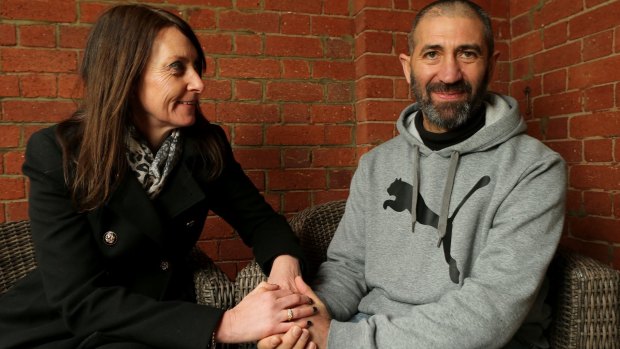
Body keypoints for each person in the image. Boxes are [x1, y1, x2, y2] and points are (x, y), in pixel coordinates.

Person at [0, 4, 316, 349]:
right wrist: (227, 323)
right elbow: (80, 300)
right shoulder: (58, 152)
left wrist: (286, 275)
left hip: (159, 320)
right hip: (58, 329)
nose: (198, 83)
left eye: (197, 67)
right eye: (177, 68)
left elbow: (262, 222)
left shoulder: (205, 147)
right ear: (126, 74)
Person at [259, 0, 566, 348]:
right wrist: (305, 320)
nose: (449, 74)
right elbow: (348, 268)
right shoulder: (376, 164)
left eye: (467, 54)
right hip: (365, 332)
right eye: (432, 54)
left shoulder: (535, 168)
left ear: (491, 65)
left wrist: (340, 339)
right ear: (408, 67)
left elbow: (491, 309)